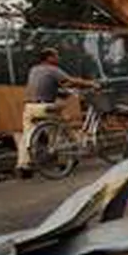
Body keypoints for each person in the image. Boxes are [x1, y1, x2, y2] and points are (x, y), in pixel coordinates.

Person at [16, 48, 99, 176]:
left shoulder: (34, 69)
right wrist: (91, 84)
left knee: (27, 135)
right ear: (49, 58)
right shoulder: (52, 69)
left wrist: (61, 91)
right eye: (56, 56)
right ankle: (64, 161)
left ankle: (23, 165)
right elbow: (70, 81)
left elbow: (44, 86)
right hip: (46, 107)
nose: (58, 58)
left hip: (30, 108)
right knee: (58, 132)